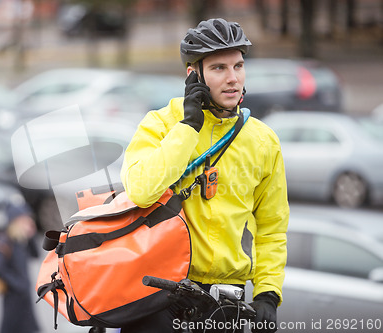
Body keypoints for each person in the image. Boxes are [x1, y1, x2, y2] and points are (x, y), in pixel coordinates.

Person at [119, 18, 288, 333]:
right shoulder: (161, 124)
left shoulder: (263, 140)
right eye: (219, 68)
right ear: (193, 75)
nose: (233, 78)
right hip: (163, 295)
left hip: (228, 303)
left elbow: (272, 229)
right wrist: (188, 126)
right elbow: (141, 190)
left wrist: (268, 293)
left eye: (238, 66)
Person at [0, 204, 40, 333]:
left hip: (25, 295)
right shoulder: (4, 241)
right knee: (11, 327)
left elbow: (35, 254)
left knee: (28, 327)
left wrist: (31, 236)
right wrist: (18, 284)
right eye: (24, 220)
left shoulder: (21, 239)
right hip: (13, 295)